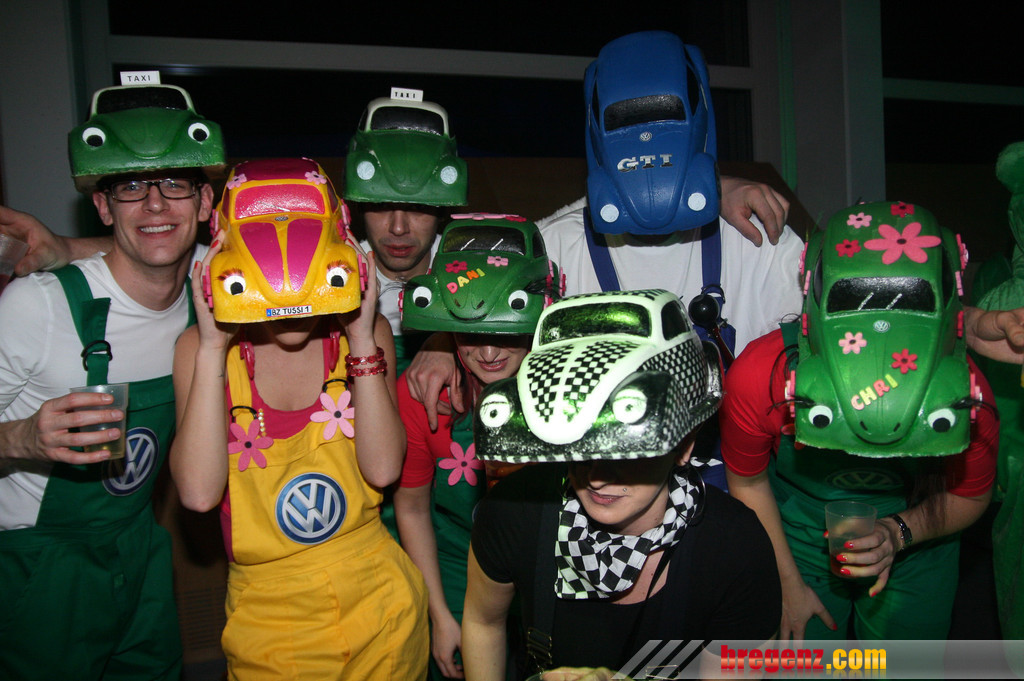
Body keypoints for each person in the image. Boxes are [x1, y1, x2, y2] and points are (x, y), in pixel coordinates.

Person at [170, 158, 428, 680]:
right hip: (269, 616)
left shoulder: (363, 335)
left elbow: (383, 470)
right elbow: (197, 494)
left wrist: (361, 337)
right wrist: (213, 347)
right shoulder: (201, 349)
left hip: (380, 603)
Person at [0, 82, 224, 679]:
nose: (154, 204)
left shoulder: (213, 286)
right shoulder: (37, 306)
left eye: (174, 183)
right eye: (130, 187)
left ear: (205, 202)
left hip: (142, 550)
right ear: (104, 206)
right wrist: (21, 438)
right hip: (39, 570)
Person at [462, 289, 781, 680]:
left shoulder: (735, 548)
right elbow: (483, 623)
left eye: (626, 452)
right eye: (584, 447)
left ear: (683, 446)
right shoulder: (514, 513)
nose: (596, 477)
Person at [722, 201, 998, 641]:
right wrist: (787, 585)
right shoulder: (760, 375)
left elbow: (970, 494)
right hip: (796, 545)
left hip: (919, 544)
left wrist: (900, 531)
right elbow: (748, 481)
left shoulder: (967, 395)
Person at [394, 213, 562, 680]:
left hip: (553, 569)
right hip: (456, 570)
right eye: (470, 332)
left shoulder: (572, 390)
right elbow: (412, 508)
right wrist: (439, 616)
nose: (488, 354)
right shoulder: (423, 396)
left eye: (505, 331)